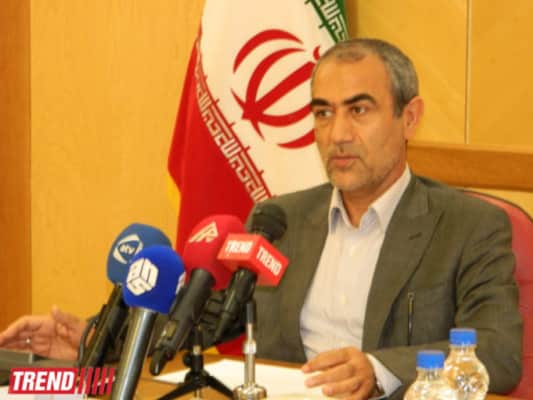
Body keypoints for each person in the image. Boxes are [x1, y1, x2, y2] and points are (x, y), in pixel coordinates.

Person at [0, 38, 523, 400]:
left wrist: (379, 369)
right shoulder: (282, 219)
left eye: (358, 110)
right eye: (323, 113)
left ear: (409, 118)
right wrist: (94, 338)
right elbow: (202, 320)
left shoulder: (469, 226)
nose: (337, 134)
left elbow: (498, 353)